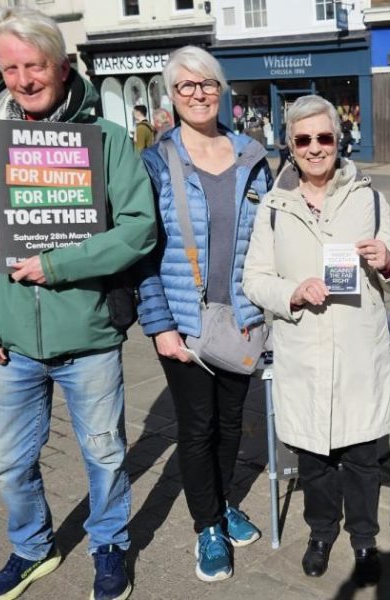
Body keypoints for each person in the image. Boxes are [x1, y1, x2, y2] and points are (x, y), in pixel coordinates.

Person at [0, 8, 157, 600]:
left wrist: (59, 265)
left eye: (33, 66)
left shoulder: (106, 141)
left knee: (107, 455)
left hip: (88, 338)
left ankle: (110, 544)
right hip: (9, 345)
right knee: (10, 462)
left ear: (62, 67)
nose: (22, 80)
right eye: (9, 68)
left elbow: (139, 228)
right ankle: (33, 549)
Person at [243, 94, 390, 586]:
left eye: (324, 137)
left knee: (362, 456)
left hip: (358, 351)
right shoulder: (273, 206)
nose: (315, 148)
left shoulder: (369, 197)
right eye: (303, 139)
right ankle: (320, 533)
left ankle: (363, 538)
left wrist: (385, 260)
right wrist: (291, 291)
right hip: (304, 350)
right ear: (290, 147)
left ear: (339, 141)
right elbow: (254, 280)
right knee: (314, 458)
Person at [135, 45, 270, 584]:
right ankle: (207, 525)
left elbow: (267, 238)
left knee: (232, 424)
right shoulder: (156, 160)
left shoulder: (251, 156)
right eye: (185, 86)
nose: (197, 94)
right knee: (196, 428)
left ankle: (222, 504)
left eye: (206, 84)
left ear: (222, 90)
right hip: (185, 321)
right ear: (171, 95)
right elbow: (143, 250)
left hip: (241, 317)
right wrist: (160, 325)